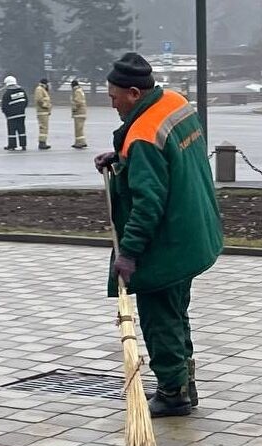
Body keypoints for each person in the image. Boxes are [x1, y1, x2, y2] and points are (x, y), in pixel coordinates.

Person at [95, 53, 222, 418]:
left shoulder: (143, 136)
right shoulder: (174, 102)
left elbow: (147, 204)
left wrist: (129, 254)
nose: (112, 102)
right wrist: (122, 158)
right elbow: (167, 160)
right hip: (194, 231)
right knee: (176, 311)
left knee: (159, 317)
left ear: (134, 93)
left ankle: (172, 393)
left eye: (114, 95)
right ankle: (184, 382)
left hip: (167, 243)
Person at [0, 75, 28, 151]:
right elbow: (26, 101)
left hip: (11, 116)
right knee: (22, 130)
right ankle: (23, 145)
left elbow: (4, 105)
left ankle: (12, 145)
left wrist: (6, 113)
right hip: (21, 115)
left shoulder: (7, 93)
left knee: (12, 131)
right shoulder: (22, 90)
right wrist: (22, 109)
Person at [34, 77, 52, 150]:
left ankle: (43, 142)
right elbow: (39, 100)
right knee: (43, 127)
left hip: (45, 112)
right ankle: (42, 143)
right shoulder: (39, 89)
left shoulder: (43, 89)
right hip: (42, 112)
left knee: (45, 128)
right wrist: (46, 106)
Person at [70, 79, 88, 149]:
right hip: (81, 113)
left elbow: (78, 102)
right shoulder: (79, 90)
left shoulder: (77, 91)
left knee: (79, 129)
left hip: (79, 113)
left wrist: (74, 108)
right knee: (79, 129)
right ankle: (78, 142)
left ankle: (81, 143)